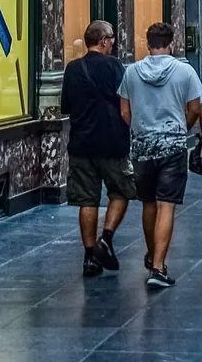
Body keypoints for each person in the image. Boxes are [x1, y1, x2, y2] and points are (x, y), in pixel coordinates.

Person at [118, 21, 202, 289]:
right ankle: (158, 266)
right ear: (172, 43)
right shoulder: (184, 71)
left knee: (148, 203)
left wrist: (140, 127)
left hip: (142, 144)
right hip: (172, 143)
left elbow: (124, 111)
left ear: (148, 43)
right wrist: (183, 126)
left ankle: (151, 254)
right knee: (166, 204)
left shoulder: (131, 72)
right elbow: (195, 106)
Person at [60, 20, 132, 277]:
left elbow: (66, 106)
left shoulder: (72, 68)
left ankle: (90, 256)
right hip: (112, 141)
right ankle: (106, 238)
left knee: (87, 200)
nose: (113, 42)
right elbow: (125, 100)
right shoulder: (113, 66)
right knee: (122, 191)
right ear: (103, 41)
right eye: (111, 37)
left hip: (81, 142)